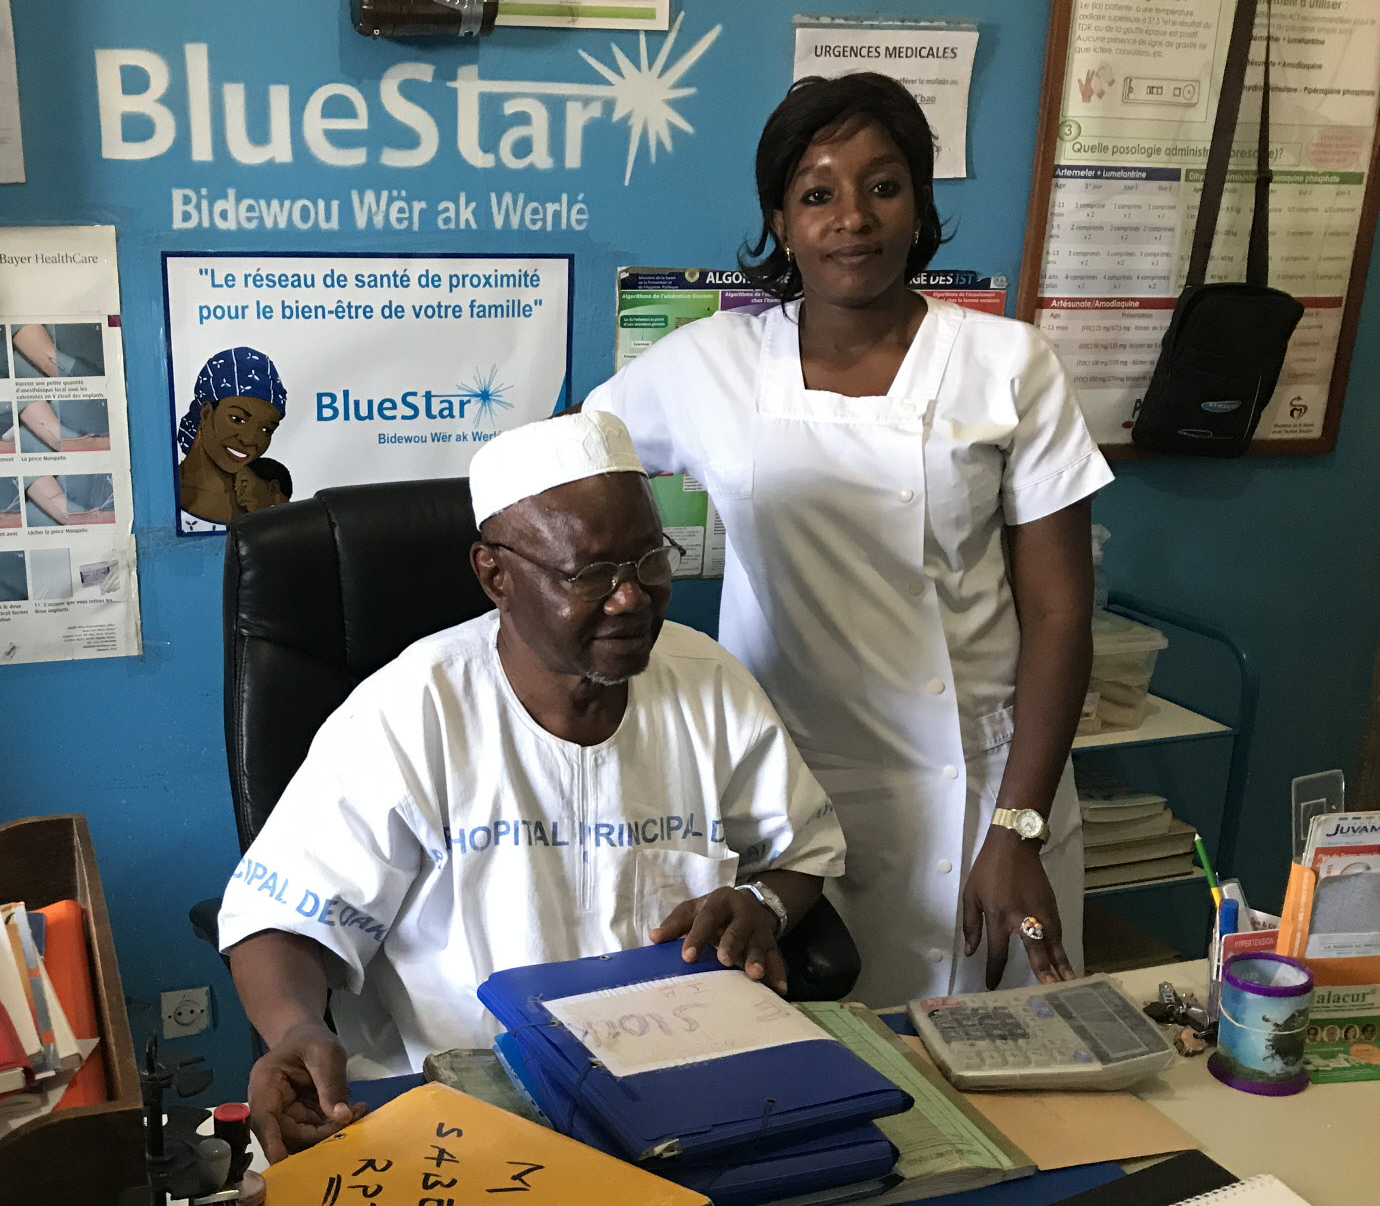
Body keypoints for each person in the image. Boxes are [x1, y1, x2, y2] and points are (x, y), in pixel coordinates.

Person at [582, 73, 1114, 1006]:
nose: (852, 218)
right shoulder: (712, 363)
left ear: (921, 206)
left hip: (982, 784)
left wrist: (1017, 828)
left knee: (998, 1083)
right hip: (781, 791)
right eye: (817, 193)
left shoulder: (1007, 364)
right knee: (800, 1080)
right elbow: (578, 468)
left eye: (883, 185)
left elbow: (1061, 612)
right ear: (781, 221)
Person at [218, 411, 846, 1161]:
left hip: (683, 1089)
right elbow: (281, 919)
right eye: (590, 575)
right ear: (495, 575)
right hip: (461, 1104)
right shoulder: (412, 710)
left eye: (650, 561)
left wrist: (762, 904)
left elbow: (802, 852)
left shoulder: (708, 685)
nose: (630, 598)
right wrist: (295, 1028)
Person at [176, 346, 292, 527]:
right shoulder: (165, 495)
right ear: (206, 413)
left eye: (266, 430)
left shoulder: (261, 499)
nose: (249, 440)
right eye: (237, 419)